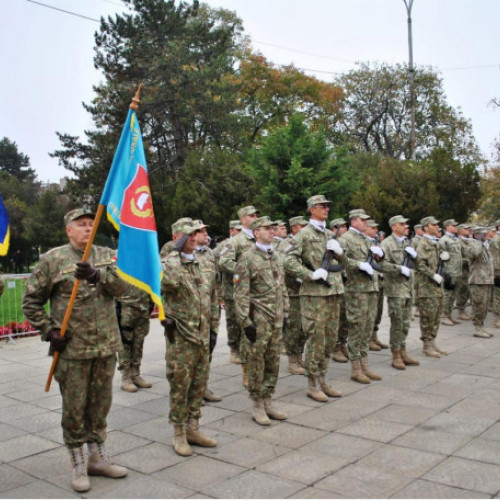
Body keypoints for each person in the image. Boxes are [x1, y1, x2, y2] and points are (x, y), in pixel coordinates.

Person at [22, 208, 128, 493]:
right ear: (68, 230)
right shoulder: (53, 259)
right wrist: (49, 331)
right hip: (72, 350)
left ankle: (98, 457)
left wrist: (97, 276)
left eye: (91, 224)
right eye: (80, 224)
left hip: (105, 346)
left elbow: (124, 289)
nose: (87, 228)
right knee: (74, 409)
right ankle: (78, 462)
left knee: (100, 406)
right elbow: (30, 302)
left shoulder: (106, 255)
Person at [161, 221, 219, 456]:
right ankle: (178, 432)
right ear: (176, 236)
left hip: (203, 334)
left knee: (198, 383)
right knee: (180, 385)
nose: (194, 238)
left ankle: (193, 427)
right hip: (182, 336)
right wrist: (176, 253)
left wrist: (214, 327)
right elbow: (168, 284)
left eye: (196, 233)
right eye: (189, 234)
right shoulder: (169, 264)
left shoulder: (204, 262)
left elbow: (214, 295)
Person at [284, 195, 345, 401]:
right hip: (314, 295)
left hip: (334, 291)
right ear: (312, 209)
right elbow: (288, 260)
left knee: (330, 339)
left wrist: (340, 254)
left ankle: (323, 378)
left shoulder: (329, 234)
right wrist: (309, 275)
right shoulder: (303, 234)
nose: (327, 209)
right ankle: (312, 383)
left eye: (328, 206)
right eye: (323, 206)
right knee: (316, 339)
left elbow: (343, 262)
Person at [234, 216, 289, 425]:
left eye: (272, 228)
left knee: (273, 362)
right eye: (267, 228)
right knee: (257, 362)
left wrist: (286, 314)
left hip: (276, 319)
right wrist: (245, 322)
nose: (271, 231)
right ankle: (257, 404)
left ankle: (268, 400)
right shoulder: (247, 259)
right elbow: (240, 294)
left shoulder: (276, 256)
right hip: (258, 320)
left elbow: (281, 287)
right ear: (256, 232)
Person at [338, 209, 383, 384]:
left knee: (367, 327)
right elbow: (340, 262)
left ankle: (364, 364)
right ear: (354, 221)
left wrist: (380, 257)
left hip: (370, 287)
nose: (366, 223)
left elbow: (374, 260)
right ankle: (356, 368)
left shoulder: (366, 239)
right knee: (357, 328)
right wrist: (359, 264)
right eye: (362, 220)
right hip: (356, 289)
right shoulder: (345, 239)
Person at [219, 206, 259, 379]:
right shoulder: (236, 241)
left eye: (256, 214)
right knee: (245, 331)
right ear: (242, 219)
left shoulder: (261, 238)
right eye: (251, 215)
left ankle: (257, 367)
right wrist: (243, 272)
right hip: (243, 293)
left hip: (261, 295)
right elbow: (223, 261)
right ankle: (246, 370)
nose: (255, 217)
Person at [380, 215, 420, 369]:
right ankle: (395, 354)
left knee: (405, 324)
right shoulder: (386, 244)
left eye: (406, 224)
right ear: (393, 227)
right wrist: (399, 268)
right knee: (397, 323)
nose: (406, 227)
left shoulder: (407, 243)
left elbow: (414, 265)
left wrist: (415, 257)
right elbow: (381, 265)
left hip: (408, 288)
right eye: (402, 224)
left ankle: (403, 351)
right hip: (395, 290)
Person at [193, 219, 222, 403]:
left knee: (207, 351)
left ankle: (203, 386)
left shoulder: (210, 254)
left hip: (210, 311)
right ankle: (193, 391)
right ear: (192, 235)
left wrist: (215, 312)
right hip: (192, 314)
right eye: (200, 231)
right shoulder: (183, 255)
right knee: (193, 354)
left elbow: (214, 284)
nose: (205, 234)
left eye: (205, 231)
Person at [278, 215, 308, 374]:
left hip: (305, 291)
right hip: (292, 292)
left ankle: (299, 357)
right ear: (295, 228)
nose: (305, 229)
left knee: (304, 327)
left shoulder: (305, 242)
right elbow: (284, 264)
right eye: (302, 226)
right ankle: (292, 361)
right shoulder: (288, 244)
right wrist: (299, 276)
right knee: (294, 327)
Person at [415, 216, 446, 358]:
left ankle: (433, 342)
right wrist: (432, 275)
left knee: (436, 316)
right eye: (434, 225)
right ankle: (426, 345)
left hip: (437, 287)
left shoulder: (436, 243)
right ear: (426, 228)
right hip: (426, 287)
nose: (437, 227)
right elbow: (420, 264)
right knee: (428, 317)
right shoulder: (422, 243)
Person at [116, 284, 153, 392]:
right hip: (127, 311)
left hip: (143, 309)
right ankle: (126, 377)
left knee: (138, 343)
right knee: (125, 344)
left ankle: (135, 374)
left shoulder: (144, 270)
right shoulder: (123, 269)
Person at [364, 219, 389, 352]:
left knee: (378, 312)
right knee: (369, 313)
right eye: (373, 228)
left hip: (378, 281)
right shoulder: (364, 242)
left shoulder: (376, 243)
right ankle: (367, 339)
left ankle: (374, 336)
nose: (375, 230)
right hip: (367, 282)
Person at [467, 226, 494, 338]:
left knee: (485, 305)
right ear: (477, 235)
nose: (486, 235)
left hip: (486, 280)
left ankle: (481, 327)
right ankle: (478, 328)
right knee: (478, 305)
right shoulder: (472, 244)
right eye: (483, 233)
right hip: (477, 280)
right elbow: (475, 254)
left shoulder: (485, 245)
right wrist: (479, 241)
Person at [329, 218, 350, 363]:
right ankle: (335, 348)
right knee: (335, 319)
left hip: (345, 286)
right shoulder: (330, 243)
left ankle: (343, 343)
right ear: (334, 229)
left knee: (345, 318)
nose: (345, 228)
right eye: (341, 227)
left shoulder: (343, 243)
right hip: (333, 285)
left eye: (345, 226)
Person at [438, 219, 463, 326]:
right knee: (447, 295)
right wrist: (444, 273)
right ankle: (443, 316)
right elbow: (441, 257)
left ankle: (449, 314)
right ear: (448, 227)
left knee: (453, 295)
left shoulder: (456, 239)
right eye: (454, 225)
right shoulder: (444, 240)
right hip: (449, 272)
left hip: (457, 271)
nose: (456, 227)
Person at [455, 224, 473, 320]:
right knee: (462, 290)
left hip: (470, 270)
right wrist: (468, 261)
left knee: (467, 291)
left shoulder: (468, 241)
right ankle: (460, 311)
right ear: (460, 230)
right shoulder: (458, 242)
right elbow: (457, 257)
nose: (468, 230)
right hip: (463, 270)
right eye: (465, 229)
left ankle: (463, 309)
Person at [490, 219, 500, 329]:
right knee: (498, 296)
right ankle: (497, 319)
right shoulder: (496, 239)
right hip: (499, 271)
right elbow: (495, 257)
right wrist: (497, 273)